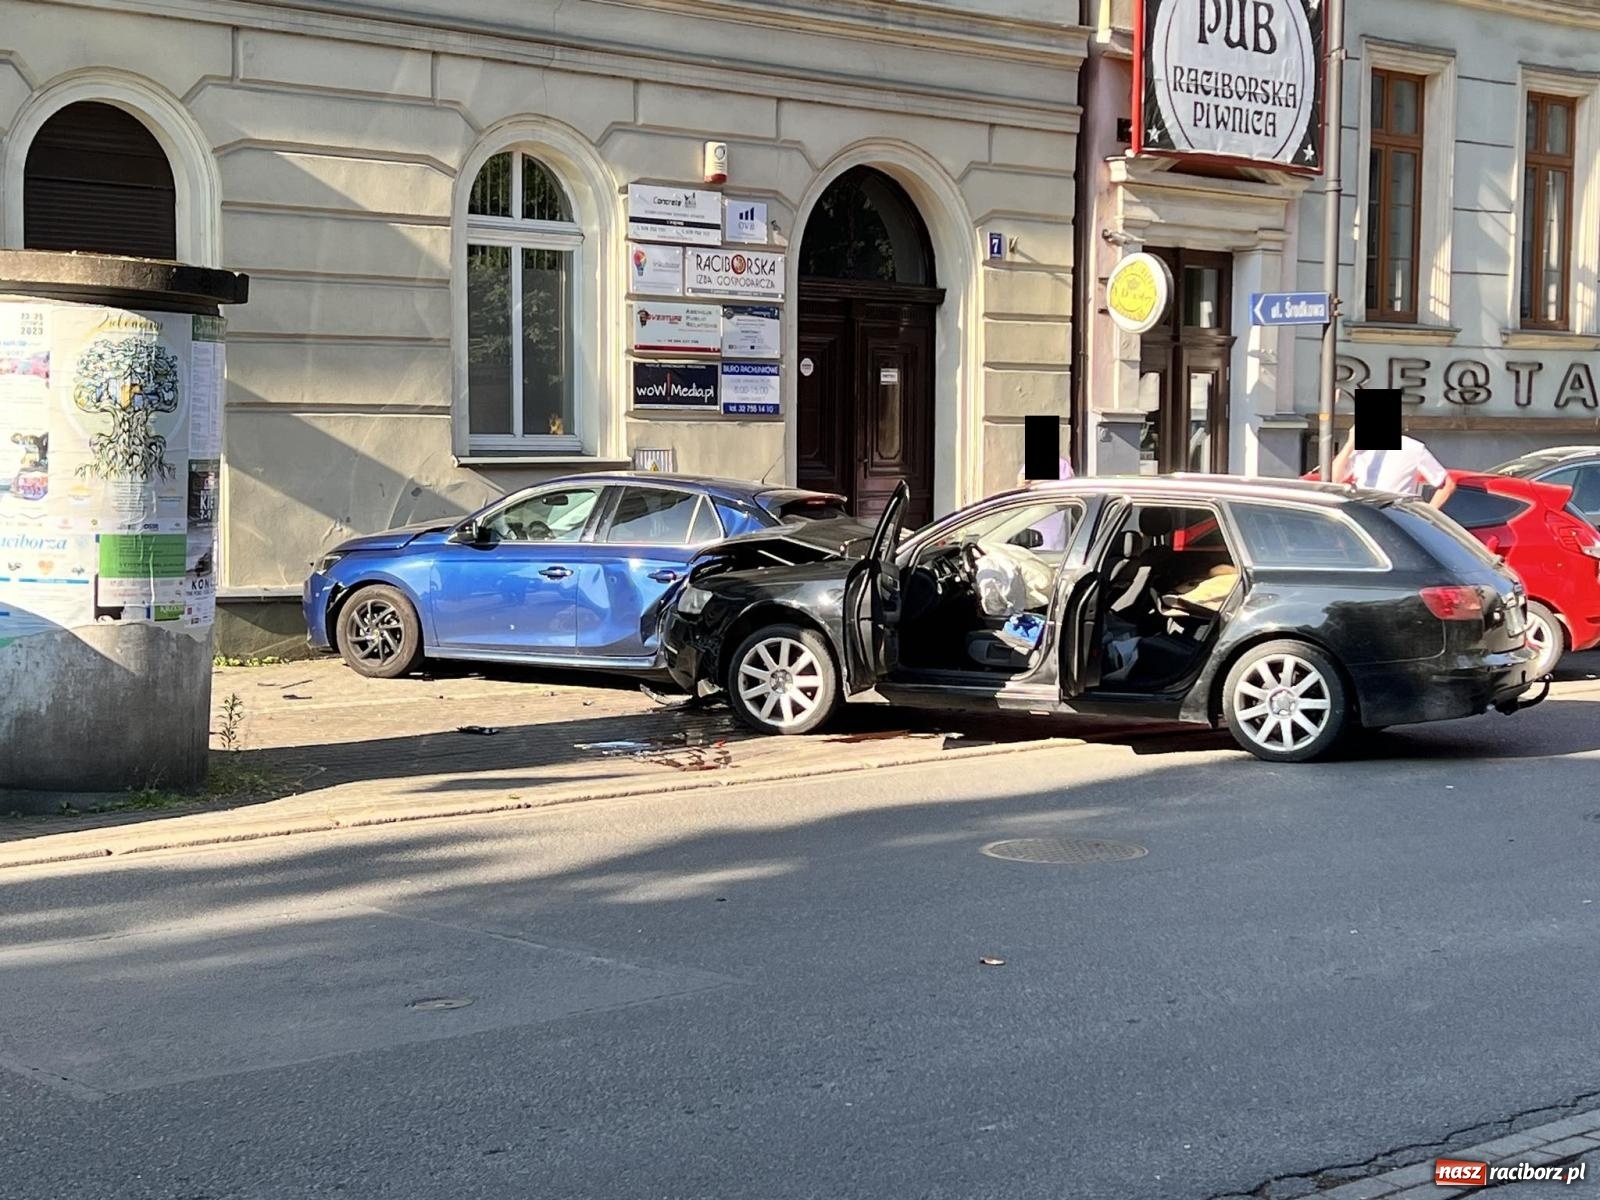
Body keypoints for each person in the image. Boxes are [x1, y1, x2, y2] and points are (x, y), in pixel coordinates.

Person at [1331, 431, 1457, 509]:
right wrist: (1349, 444)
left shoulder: (1412, 447)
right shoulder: (1359, 448)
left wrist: (1428, 515)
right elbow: (1335, 478)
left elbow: (1447, 484)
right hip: (1365, 513)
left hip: (1395, 513)